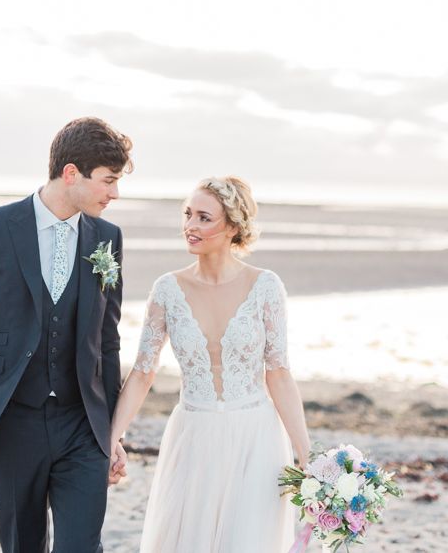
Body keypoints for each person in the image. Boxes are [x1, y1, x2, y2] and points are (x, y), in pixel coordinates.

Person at [0, 117, 132, 553]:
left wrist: (112, 431)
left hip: (83, 425)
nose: (115, 193)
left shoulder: (108, 237)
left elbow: (108, 341)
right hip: (12, 422)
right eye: (108, 180)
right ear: (70, 173)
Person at [110, 176, 310, 553]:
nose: (190, 226)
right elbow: (142, 371)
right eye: (188, 215)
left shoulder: (266, 286)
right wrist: (113, 437)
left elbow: (279, 373)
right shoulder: (167, 289)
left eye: (204, 217)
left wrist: (307, 454)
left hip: (256, 438)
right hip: (192, 436)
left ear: (233, 226)